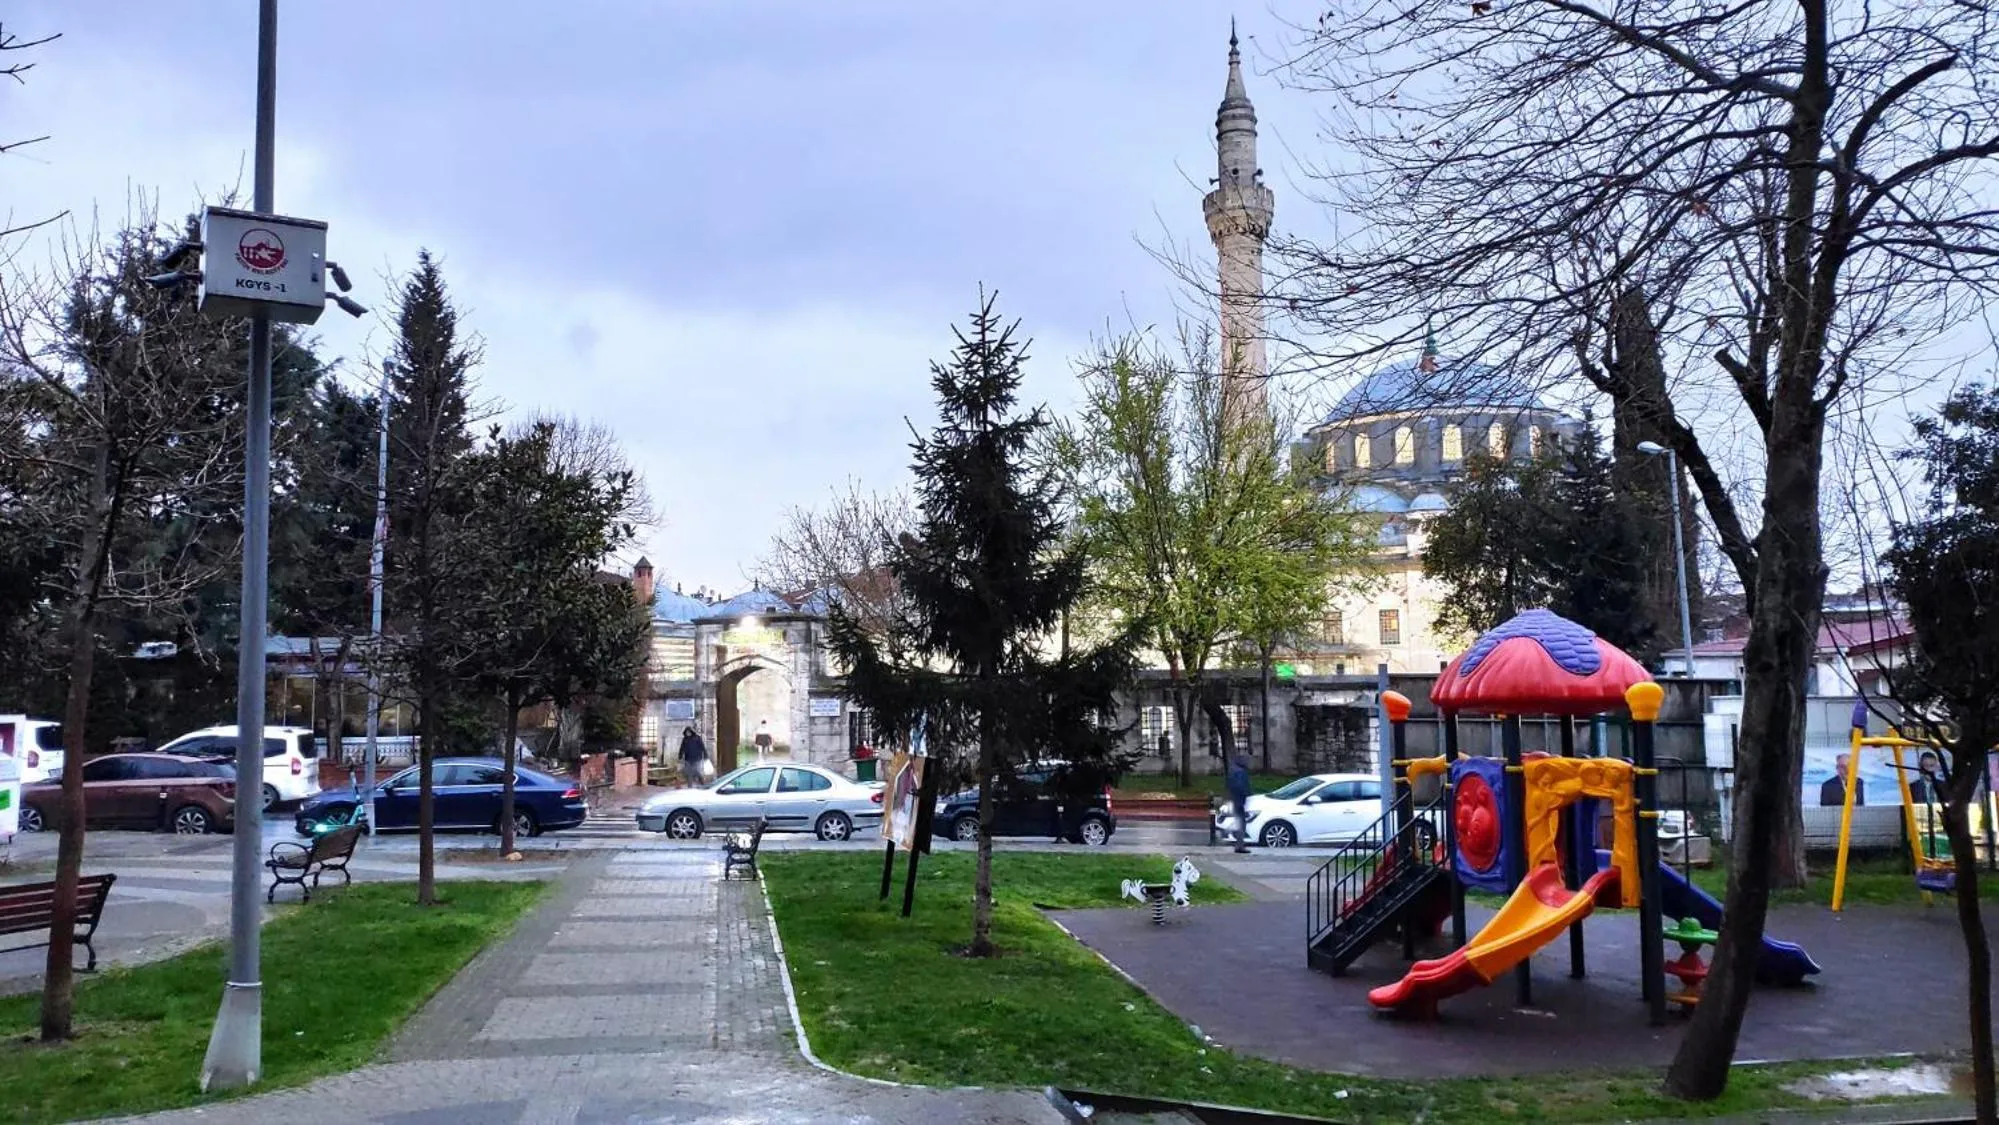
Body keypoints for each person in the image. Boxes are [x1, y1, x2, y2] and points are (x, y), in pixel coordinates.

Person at [1226, 753, 1253, 853]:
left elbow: (1230, 785)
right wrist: (1246, 794)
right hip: (1239, 800)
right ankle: (1240, 845)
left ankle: (1239, 844)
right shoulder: (1240, 772)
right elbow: (1241, 786)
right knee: (1241, 823)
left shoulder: (1233, 770)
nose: (1248, 762)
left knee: (1239, 822)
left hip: (1235, 799)